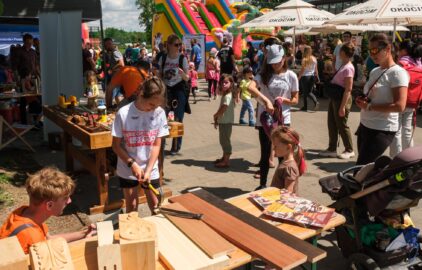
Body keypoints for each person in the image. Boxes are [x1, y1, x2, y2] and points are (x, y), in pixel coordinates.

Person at [0, 167, 96, 254]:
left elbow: (48, 239)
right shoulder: (31, 236)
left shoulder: (25, 213)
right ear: (49, 205)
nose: (70, 201)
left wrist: (84, 233)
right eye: (65, 198)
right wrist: (85, 243)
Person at [111, 76, 169, 213]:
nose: (154, 108)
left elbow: (156, 145)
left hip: (150, 167)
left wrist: (148, 170)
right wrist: (132, 164)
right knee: (132, 206)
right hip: (128, 167)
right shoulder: (123, 113)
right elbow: (116, 146)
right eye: (151, 105)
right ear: (141, 94)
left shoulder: (159, 113)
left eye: (157, 106)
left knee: (156, 206)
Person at [249, 41, 299, 190]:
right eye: (272, 62)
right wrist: (265, 101)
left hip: (283, 120)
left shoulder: (291, 76)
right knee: (265, 153)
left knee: (283, 154)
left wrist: (285, 100)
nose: (274, 65)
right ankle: (262, 185)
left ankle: (282, 186)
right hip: (265, 120)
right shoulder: (263, 74)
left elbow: (296, 100)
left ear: (284, 58)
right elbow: (250, 87)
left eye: (277, 62)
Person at [355, 33, 409, 165]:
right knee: (365, 169)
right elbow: (373, 97)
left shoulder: (398, 73)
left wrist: (369, 107)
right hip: (365, 125)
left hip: (381, 129)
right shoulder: (375, 71)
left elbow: (400, 106)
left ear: (388, 49)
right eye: (370, 50)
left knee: (359, 172)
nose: (372, 54)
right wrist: (363, 100)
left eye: (375, 50)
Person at [320, 42, 356, 159]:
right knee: (332, 123)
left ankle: (349, 149)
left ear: (344, 53)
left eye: (340, 50)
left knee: (341, 124)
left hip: (342, 99)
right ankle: (332, 148)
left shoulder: (349, 68)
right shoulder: (344, 65)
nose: (338, 52)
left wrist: (342, 107)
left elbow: (348, 89)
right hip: (336, 98)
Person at [158, 34, 190, 155]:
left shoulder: (182, 59)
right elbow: (160, 74)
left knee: (178, 117)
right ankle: (161, 142)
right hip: (166, 89)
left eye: (179, 44)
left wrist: (182, 74)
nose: (179, 47)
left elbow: (187, 78)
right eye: (176, 45)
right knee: (163, 116)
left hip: (179, 89)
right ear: (169, 45)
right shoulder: (164, 58)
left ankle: (176, 146)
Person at [390, 41, 422, 156]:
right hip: (412, 102)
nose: (398, 52)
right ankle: (409, 158)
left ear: (403, 51)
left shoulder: (401, 63)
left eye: (399, 50)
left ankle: (395, 158)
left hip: (399, 101)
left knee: (396, 130)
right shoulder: (418, 63)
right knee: (407, 130)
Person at [270, 126, 306, 194]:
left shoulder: (290, 167)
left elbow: (287, 194)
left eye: (275, 146)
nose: (273, 149)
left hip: (281, 203)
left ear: (288, 147)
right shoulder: (285, 161)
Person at [213, 74, 236, 168]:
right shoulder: (226, 94)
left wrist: (216, 115)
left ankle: (226, 161)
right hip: (224, 121)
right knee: (223, 140)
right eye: (222, 82)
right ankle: (224, 157)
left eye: (226, 82)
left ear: (231, 84)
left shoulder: (227, 96)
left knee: (224, 141)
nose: (223, 84)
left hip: (226, 122)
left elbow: (224, 107)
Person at [298, 45, 319, 111]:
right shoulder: (314, 58)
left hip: (305, 77)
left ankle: (314, 103)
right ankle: (305, 106)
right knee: (309, 91)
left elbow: (302, 69)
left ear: (305, 51)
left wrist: (298, 77)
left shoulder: (304, 59)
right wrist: (318, 77)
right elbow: (316, 69)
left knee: (305, 92)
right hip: (312, 76)